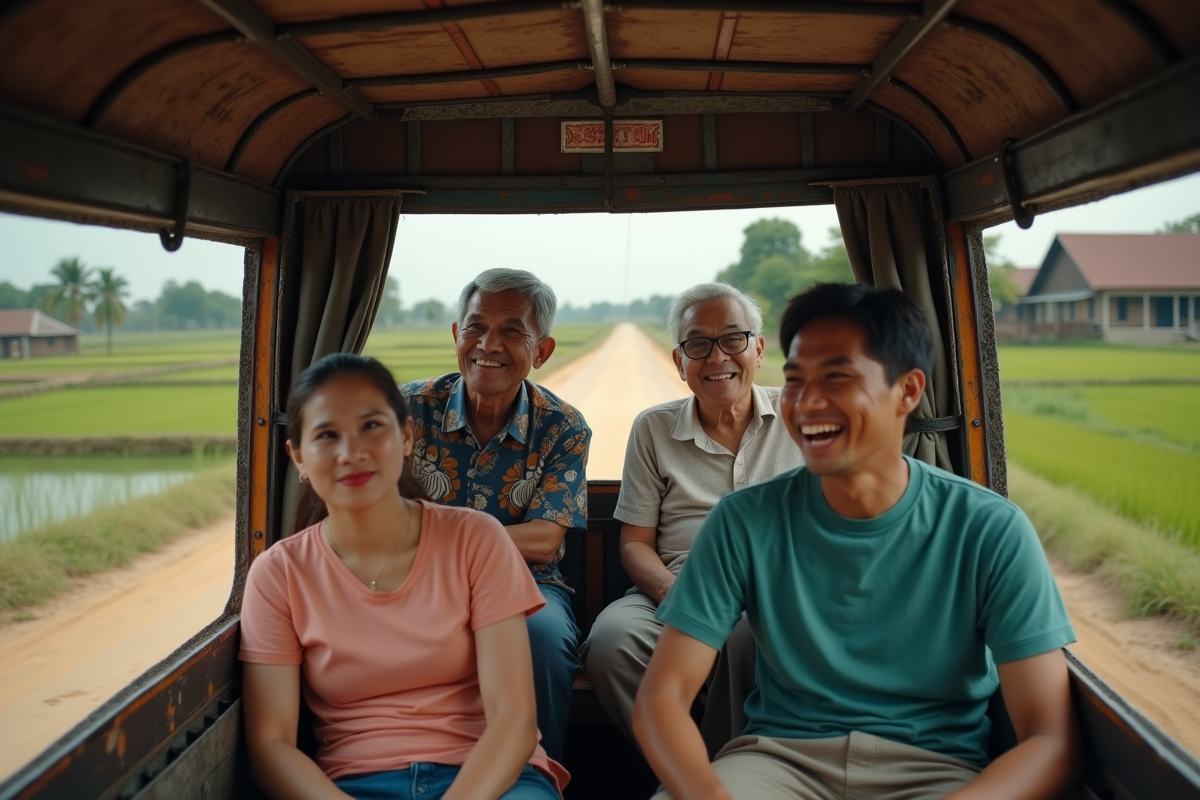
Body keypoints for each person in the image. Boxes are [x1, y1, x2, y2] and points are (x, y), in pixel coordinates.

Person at [633, 283, 1080, 800]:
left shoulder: (990, 529)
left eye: (838, 378)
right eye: (797, 380)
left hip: (934, 771)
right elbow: (663, 695)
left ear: (908, 391)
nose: (807, 402)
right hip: (778, 762)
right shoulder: (743, 521)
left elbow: (1049, 737)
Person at [240, 353, 567, 800]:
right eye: (326, 436)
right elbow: (271, 744)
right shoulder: (278, 574)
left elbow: (513, 720)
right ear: (297, 457)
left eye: (371, 426)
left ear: (407, 436)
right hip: (355, 785)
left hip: (490, 778)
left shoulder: (475, 538)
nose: (351, 453)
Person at [580, 282, 803, 756]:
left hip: (783, 591)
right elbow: (635, 543)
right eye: (698, 344)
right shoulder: (654, 429)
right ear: (680, 362)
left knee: (751, 632)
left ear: (758, 350)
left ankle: (737, 772)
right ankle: (685, 769)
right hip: (680, 588)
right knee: (610, 642)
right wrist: (674, 594)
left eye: (733, 339)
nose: (717, 357)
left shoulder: (799, 416)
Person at [401, 269, 590, 764]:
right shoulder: (406, 409)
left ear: (542, 351)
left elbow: (545, 541)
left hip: (524, 583)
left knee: (543, 640)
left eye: (512, 330)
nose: (489, 344)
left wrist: (440, 537)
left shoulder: (562, 426)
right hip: (413, 578)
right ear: (456, 335)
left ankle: (534, 777)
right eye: (476, 326)